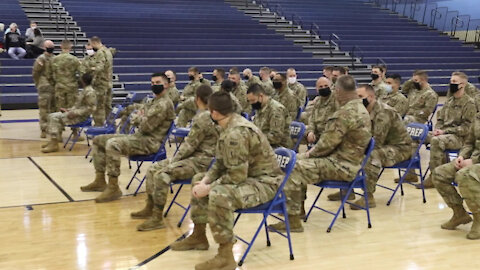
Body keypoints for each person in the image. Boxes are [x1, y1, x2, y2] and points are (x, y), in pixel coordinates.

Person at [170, 91, 283, 270]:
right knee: (199, 179)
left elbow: (236, 176)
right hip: (250, 177)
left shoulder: (235, 133)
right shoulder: (228, 124)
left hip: (265, 183)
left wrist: (208, 189)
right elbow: (221, 163)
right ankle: (199, 236)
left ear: (214, 113)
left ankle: (226, 256)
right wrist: (206, 180)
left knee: (220, 194)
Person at [269, 75, 372, 232]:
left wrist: (306, 155)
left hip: (341, 166)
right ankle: (297, 211)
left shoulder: (345, 113)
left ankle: (293, 220)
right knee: (296, 162)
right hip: (349, 162)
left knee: (294, 166)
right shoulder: (362, 109)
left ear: (338, 91)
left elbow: (326, 144)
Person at [132, 85, 219, 231]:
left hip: (201, 161)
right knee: (153, 168)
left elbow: (190, 145)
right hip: (195, 158)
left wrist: (174, 160)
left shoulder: (204, 117)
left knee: (162, 174)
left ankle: (157, 217)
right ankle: (150, 206)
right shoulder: (209, 114)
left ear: (197, 99)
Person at [81, 73, 175, 203]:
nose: (154, 85)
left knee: (113, 144)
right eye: (152, 83)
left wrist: (137, 118)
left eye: (157, 82)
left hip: (151, 142)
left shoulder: (164, 104)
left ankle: (114, 187)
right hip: (139, 137)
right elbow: (140, 117)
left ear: (165, 84)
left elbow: (145, 127)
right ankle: (100, 180)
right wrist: (140, 117)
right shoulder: (153, 100)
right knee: (99, 140)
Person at [344, 84, 412, 209]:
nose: (357, 100)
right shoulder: (361, 111)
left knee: (372, 155)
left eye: (360, 96)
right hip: (384, 146)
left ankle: (368, 197)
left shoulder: (384, 112)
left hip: (400, 148)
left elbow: (376, 142)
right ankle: (347, 191)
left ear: (371, 97)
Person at [420, 72, 476, 189]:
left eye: (454, 82)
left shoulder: (469, 103)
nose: (451, 84)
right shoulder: (449, 101)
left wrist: (445, 132)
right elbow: (440, 120)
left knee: (436, 141)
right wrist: (437, 129)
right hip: (444, 135)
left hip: (460, 138)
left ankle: (434, 177)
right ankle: (411, 172)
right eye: (451, 81)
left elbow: (467, 128)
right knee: (419, 134)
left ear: (462, 85)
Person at [432, 112, 480, 240]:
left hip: (475, 163)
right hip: (473, 161)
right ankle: (459, 213)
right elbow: (469, 142)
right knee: (439, 173)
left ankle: (479, 218)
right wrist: (462, 156)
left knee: (464, 175)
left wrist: (473, 162)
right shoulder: (478, 116)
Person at [398, 70, 439, 183]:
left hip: (418, 122)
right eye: (413, 80)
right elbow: (404, 89)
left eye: (416, 80)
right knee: (409, 142)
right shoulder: (413, 89)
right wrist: (412, 81)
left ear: (424, 80)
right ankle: (410, 174)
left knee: (405, 122)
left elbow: (426, 112)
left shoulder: (430, 94)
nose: (413, 82)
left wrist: (410, 114)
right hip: (407, 121)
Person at [41, 73, 96, 153]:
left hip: (81, 117)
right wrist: (68, 110)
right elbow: (78, 106)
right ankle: (53, 140)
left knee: (54, 118)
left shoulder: (90, 92)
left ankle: (54, 145)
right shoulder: (85, 90)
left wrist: (75, 113)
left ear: (83, 81)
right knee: (51, 115)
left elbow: (91, 108)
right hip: (74, 114)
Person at [247, 83, 292, 148]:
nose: (251, 103)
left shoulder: (276, 110)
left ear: (261, 96)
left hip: (277, 147)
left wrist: (255, 139)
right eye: (250, 101)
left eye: (253, 100)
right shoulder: (260, 107)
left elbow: (276, 137)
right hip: (263, 143)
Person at [88, 36, 113, 126]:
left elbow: (99, 67)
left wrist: (91, 68)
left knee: (99, 106)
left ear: (94, 43)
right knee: (108, 106)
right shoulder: (108, 51)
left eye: (91, 44)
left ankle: (99, 126)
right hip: (109, 82)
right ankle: (111, 125)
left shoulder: (100, 53)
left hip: (101, 83)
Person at [32, 40, 56, 138]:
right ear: (44, 47)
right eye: (48, 46)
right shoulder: (41, 59)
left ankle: (53, 128)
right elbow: (35, 72)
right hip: (44, 86)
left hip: (54, 87)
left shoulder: (55, 58)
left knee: (53, 109)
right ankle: (44, 129)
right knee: (44, 108)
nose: (50, 47)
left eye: (51, 46)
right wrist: (39, 83)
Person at [305, 77, 338, 146]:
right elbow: (312, 119)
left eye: (326, 86)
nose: (323, 88)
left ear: (330, 86)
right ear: (317, 89)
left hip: (330, 135)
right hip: (317, 134)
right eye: (321, 86)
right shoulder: (317, 102)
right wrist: (310, 131)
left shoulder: (336, 100)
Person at [52, 39, 81, 110]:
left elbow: (50, 73)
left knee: (60, 110)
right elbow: (82, 72)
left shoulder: (54, 59)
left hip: (59, 87)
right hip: (72, 87)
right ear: (70, 47)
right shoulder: (75, 59)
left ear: (60, 46)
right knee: (71, 110)